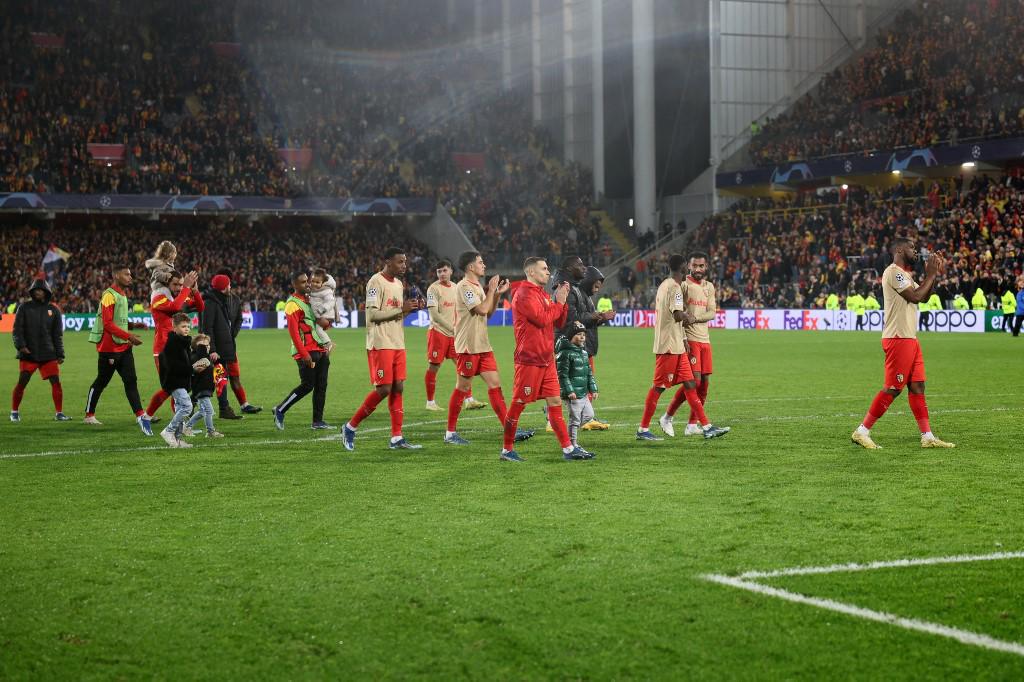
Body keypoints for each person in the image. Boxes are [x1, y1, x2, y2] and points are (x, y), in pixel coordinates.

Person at [851, 238, 954, 449]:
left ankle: (927, 436)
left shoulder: (906, 275)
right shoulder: (893, 272)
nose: (916, 252)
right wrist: (931, 274)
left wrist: (931, 275)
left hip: (910, 338)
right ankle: (862, 431)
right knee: (894, 387)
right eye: (912, 248)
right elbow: (915, 296)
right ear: (899, 249)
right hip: (898, 338)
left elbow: (924, 296)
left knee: (917, 386)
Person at [499, 256, 592, 462]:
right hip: (529, 359)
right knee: (519, 403)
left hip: (546, 358)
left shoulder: (541, 294)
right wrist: (557, 302)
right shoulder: (523, 294)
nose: (548, 272)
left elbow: (557, 321)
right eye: (544, 268)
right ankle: (507, 450)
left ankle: (568, 449)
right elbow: (541, 319)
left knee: (555, 401)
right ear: (531, 272)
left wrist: (563, 302)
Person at [443, 251, 533, 446]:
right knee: (463, 388)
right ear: (470, 267)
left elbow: (489, 313)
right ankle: (450, 433)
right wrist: (491, 290)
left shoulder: (477, 287)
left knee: (495, 385)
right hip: (468, 345)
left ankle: (510, 429)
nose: (484, 265)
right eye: (480, 262)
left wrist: (497, 295)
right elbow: (480, 310)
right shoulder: (464, 287)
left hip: (482, 345)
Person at [636, 254, 729, 441]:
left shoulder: (664, 284)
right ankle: (643, 429)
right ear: (685, 267)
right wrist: (690, 317)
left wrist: (684, 336)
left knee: (690, 383)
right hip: (668, 345)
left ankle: (707, 427)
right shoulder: (676, 288)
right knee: (659, 387)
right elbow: (678, 315)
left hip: (678, 345)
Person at [342, 247, 423, 451]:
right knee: (384, 388)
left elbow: (396, 315)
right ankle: (350, 427)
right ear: (387, 262)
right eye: (400, 262)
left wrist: (410, 310)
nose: (404, 265)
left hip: (398, 342)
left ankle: (397, 438)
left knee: (398, 387)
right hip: (380, 342)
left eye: (405, 261)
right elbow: (373, 316)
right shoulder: (375, 282)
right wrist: (400, 308)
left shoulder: (398, 284)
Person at [659, 252, 722, 437]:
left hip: (705, 340)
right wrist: (684, 336)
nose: (698, 269)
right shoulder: (683, 285)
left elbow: (712, 312)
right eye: (694, 266)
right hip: (690, 339)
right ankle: (667, 416)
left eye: (701, 266)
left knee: (704, 385)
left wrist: (695, 318)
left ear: (706, 267)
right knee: (693, 381)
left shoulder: (709, 287)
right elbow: (677, 313)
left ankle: (692, 425)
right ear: (689, 266)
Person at [84, 266, 151, 434]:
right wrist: (129, 336)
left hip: (123, 346)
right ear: (116, 275)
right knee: (102, 381)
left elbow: (118, 320)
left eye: (130, 274)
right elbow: (107, 323)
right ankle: (89, 415)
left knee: (131, 380)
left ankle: (140, 415)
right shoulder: (109, 295)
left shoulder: (122, 294)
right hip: (109, 348)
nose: (130, 277)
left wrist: (134, 325)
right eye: (126, 274)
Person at [272, 273, 332, 430]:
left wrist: (326, 324)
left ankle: (317, 421)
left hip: (319, 349)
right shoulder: (292, 304)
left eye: (308, 281)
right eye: (303, 282)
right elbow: (293, 332)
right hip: (306, 351)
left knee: (321, 385)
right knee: (307, 385)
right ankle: (280, 409)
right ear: (295, 285)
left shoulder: (310, 300)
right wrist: (304, 354)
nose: (308, 284)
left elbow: (317, 324)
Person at [423, 260, 484, 412]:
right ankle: (430, 402)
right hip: (438, 333)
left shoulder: (457, 288)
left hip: (455, 335)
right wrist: (452, 329)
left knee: (462, 365)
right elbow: (434, 315)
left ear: (450, 271)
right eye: (439, 271)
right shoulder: (433, 289)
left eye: (444, 270)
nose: (442, 274)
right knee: (434, 366)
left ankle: (469, 400)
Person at [143, 269, 202, 421]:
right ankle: (147, 416)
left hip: (179, 348)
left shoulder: (179, 296)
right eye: (175, 284)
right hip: (163, 350)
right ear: (167, 284)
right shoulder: (159, 298)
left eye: (181, 285)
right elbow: (175, 307)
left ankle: (177, 420)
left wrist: (195, 291)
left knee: (179, 386)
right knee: (171, 387)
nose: (178, 288)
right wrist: (187, 288)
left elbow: (200, 307)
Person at [202, 272, 260, 418]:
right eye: (228, 284)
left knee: (234, 376)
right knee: (217, 379)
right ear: (223, 287)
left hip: (229, 346)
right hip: (217, 349)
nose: (230, 286)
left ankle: (244, 405)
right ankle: (220, 408)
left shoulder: (234, 299)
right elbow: (207, 329)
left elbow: (239, 319)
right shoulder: (210, 303)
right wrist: (212, 349)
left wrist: (231, 334)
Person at [10, 278, 69, 422]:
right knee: (22, 381)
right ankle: (14, 412)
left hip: (48, 353)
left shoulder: (53, 310)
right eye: (35, 290)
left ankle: (59, 413)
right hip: (28, 353)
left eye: (41, 290)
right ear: (32, 292)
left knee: (56, 382)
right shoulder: (24, 308)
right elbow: (17, 330)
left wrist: (60, 353)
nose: (38, 292)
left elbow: (57, 335)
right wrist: (21, 346)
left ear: (46, 292)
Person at [556, 321, 599, 449]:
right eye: (578, 334)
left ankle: (571, 432)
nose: (582, 337)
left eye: (583, 335)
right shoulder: (565, 353)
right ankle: (572, 444)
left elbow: (589, 373)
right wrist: (569, 391)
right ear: (570, 336)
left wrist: (593, 388)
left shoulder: (584, 353)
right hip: (573, 394)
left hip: (584, 393)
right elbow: (563, 375)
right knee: (574, 420)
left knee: (589, 415)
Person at [579, 265, 611, 430]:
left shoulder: (586, 297)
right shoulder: (580, 296)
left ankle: (587, 417)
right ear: (588, 282)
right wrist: (599, 316)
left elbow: (588, 320)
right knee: (585, 382)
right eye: (596, 286)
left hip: (587, 347)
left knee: (586, 382)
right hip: (582, 347)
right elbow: (579, 319)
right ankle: (586, 419)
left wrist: (602, 318)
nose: (597, 289)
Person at [157, 313, 196, 448]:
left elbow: (186, 362)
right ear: (174, 327)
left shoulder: (184, 342)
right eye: (183, 326)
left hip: (182, 381)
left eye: (188, 326)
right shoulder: (173, 343)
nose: (187, 329)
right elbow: (173, 365)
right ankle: (168, 431)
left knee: (180, 407)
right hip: (175, 381)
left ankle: (177, 440)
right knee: (187, 406)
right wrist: (192, 368)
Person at [185, 333, 224, 439]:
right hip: (201, 389)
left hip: (205, 389)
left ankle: (187, 427)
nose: (206, 347)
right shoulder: (195, 356)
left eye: (208, 345)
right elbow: (198, 369)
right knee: (208, 411)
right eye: (202, 345)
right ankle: (210, 432)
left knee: (202, 411)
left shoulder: (206, 357)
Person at [309, 268, 338, 352]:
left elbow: (331, 301)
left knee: (318, 329)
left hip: (325, 314)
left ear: (323, 282)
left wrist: (322, 309)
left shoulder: (326, 290)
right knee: (314, 330)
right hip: (319, 314)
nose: (314, 284)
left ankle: (328, 343)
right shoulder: (313, 290)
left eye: (317, 282)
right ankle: (321, 345)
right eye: (313, 281)